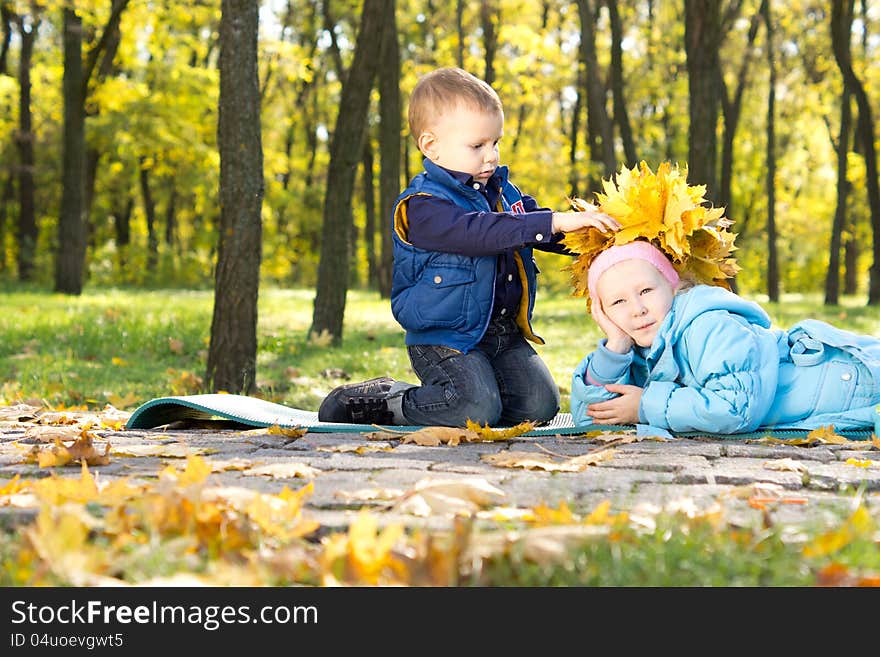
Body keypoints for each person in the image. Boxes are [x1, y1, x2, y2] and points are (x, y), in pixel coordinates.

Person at [319, 66, 620, 426]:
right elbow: (477, 232)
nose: (491, 156)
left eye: (495, 143)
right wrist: (551, 220)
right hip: (445, 339)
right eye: (477, 146)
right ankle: (385, 400)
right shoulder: (422, 206)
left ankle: (478, 394)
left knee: (540, 405)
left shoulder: (502, 193)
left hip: (502, 335)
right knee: (472, 409)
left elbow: (535, 229)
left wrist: (600, 235)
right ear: (431, 146)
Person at [570, 240, 880, 434]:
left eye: (646, 291)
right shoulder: (638, 349)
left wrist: (645, 406)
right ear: (602, 312)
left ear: (674, 287)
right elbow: (589, 421)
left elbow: (735, 408)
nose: (637, 309)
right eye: (617, 302)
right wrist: (615, 348)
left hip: (855, 380)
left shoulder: (710, 325)